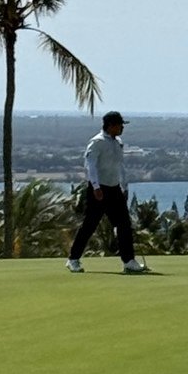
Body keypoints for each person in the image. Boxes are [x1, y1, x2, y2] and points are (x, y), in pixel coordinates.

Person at [67, 110, 149, 274]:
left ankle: (129, 261)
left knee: (124, 224)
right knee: (89, 225)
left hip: (114, 188)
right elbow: (91, 166)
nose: (122, 129)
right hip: (99, 189)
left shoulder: (117, 142)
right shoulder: (97, 142)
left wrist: (124, 187)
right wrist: (96, 187)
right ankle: (73, 259)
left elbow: (119, 166)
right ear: (111, 126)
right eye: (120, 125)